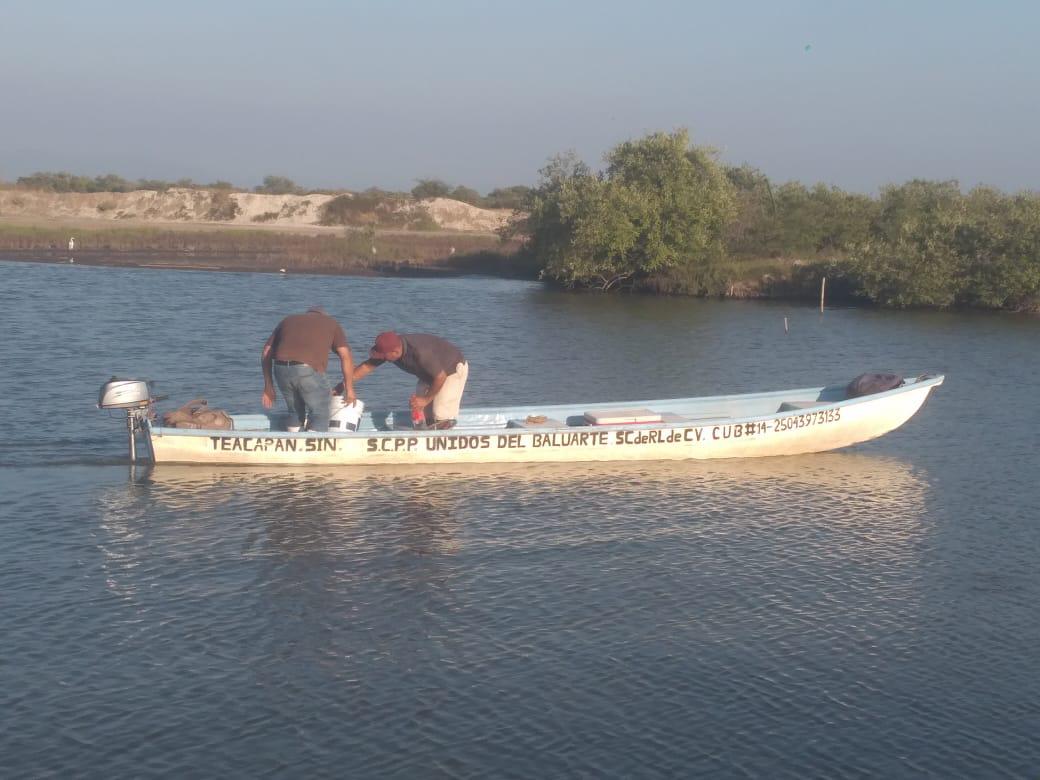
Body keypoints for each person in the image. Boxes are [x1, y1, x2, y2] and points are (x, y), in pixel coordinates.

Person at [344, 331, 468, 429]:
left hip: (451, 370)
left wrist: (426, 399)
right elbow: (366, 367)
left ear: (396, 351)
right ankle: (427, 432)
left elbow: (440, 377)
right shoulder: (390, 349)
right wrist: (342, 385)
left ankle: (445, 437)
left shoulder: (420, 353)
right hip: (429, 374)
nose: (382, 359)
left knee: (441, 413)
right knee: (421, 411)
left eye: (384, 356)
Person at [261, 307, 355, 432]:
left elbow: (266, 351)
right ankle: (314, 448)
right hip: (306, 369)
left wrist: (268, 386)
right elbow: (345, 355)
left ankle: (294, 443)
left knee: (294, 411)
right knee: (320, 412)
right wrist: (349, 389)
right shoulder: (331, 322)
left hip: (280, 369)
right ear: (324, 315)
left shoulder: (288, 320)